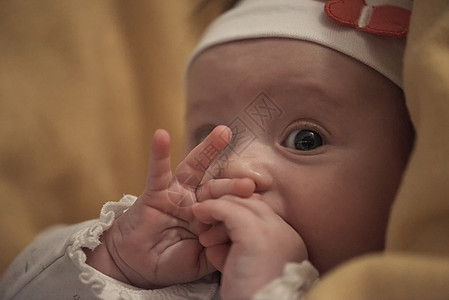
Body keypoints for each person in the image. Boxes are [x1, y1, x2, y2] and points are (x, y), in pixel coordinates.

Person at [0, 0, 416, 299]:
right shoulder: (172, 273)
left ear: (413, 170)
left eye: (305, 140)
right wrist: (117, 265)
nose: (234, 166)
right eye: (210, 140)